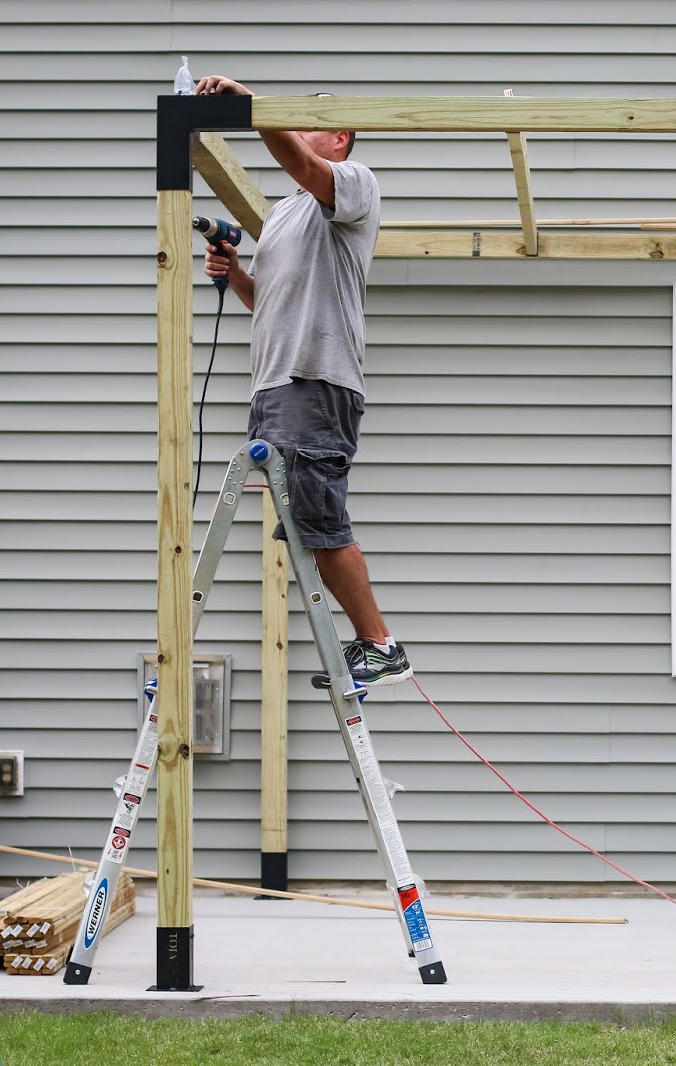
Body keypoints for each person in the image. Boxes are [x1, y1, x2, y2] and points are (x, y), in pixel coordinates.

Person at [195, 75, 410, 688]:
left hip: (316, 380)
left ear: (339, 138)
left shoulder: (353, 185)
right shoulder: (282, 215)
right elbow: (268, 301)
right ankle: (373, 643)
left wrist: (254, 109)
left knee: (319, 521)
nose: (298, 129)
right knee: (303, 526)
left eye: (308, 120)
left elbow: (299, 159)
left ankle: (380, 644)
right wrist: (235, 273)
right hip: (275, 387)